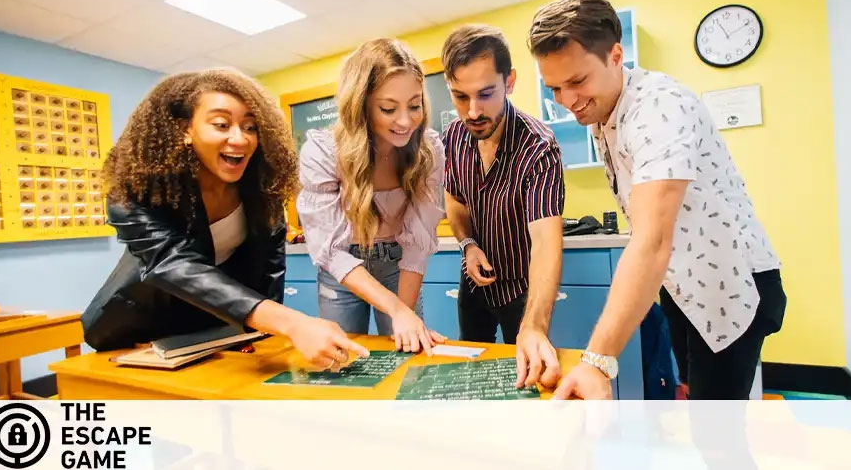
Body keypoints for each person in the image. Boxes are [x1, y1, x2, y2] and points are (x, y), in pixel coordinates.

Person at [528, 0, 786, 400]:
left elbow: (651, 241)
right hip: (684, 283)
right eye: (554, 88)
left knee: (719, 433)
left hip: (730, 286)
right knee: (692, 399)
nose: (567, 100)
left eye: (577, 82)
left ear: (616, 56)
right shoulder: (604, 114)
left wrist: (597, 360)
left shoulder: (659, 107)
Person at [83, 68, 369, 368]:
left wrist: (260, 334)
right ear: (185, 129)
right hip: (135, 332)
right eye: (222, 124)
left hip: (210, 334)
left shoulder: (262, 194)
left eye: (250, 127)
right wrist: (293, 323)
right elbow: (172, 264)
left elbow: (268, 276)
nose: (240, 138)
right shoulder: (137, 193)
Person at [297, 38, 446, 355]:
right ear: (361, 105)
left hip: (398, 265)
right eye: (389, 108)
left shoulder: (428, 149)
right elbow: (331, 251)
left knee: (407, 353)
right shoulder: (323, 151)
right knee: (345, 361)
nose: (405, 121)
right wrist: (398, 312)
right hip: (343, 273)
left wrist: (403, 313)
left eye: (415, 105)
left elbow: (417, 245)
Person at [439, 25, 566, 387]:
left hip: (521, 291)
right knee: (473, 373)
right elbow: (455, 199)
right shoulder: (453, 137)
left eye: (485, 94)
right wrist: (468, 245)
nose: (473, 111)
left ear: (509, 81)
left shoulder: (539, 147)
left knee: (525, 378)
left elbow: (545, 240)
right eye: (460, 97)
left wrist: (535, 326)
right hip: (474, 283)